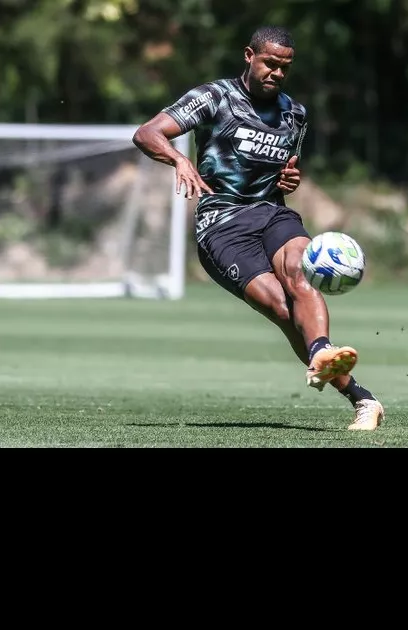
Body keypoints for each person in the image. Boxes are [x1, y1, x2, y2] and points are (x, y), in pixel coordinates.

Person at [132, 25, 384, 431]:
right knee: (284, 310)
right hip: (222, 225)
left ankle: (324, 352)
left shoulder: (294, 113)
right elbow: (146, 133)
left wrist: (290, 180)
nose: (277, 73)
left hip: (272, 213)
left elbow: (286, 169)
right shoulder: (214, 98)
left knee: (300, 276)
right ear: (249, 55)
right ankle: (362, 396)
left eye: (285, 67)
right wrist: (180, 160)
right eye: (270, 63)